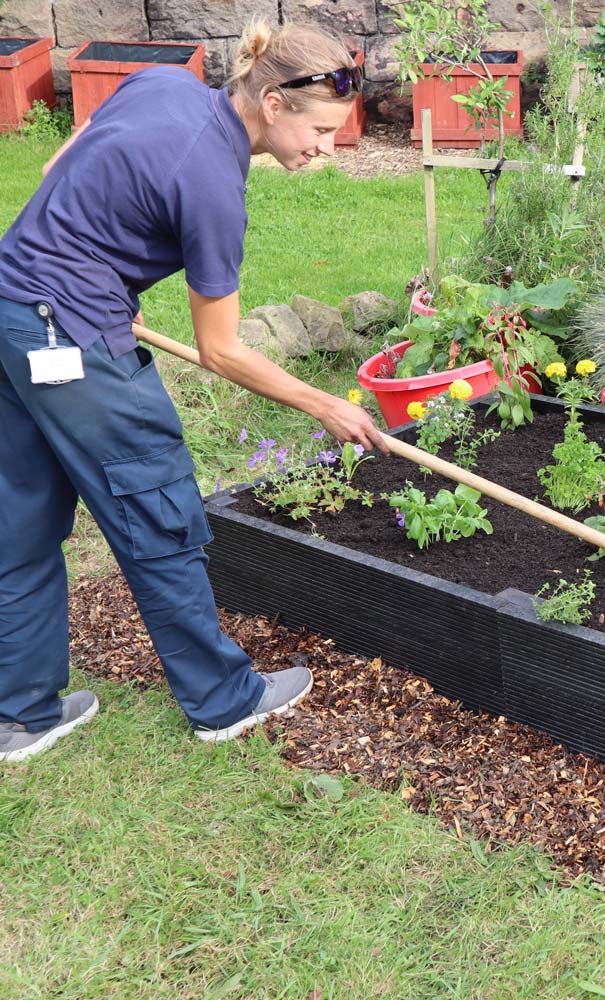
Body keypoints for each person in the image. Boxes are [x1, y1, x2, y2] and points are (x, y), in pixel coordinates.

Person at [0, 20, 387, 761]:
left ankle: (20, 715)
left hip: (11, 313)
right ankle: (224, 700)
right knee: (157, 508)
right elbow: (221, 349)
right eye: (322, 129)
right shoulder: (214, 184)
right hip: (71, 343)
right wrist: (326, 402)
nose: (326, 147)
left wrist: (98, 263)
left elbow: (63, 166)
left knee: (19, 517)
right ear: (273, 103)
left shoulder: (163, 85)